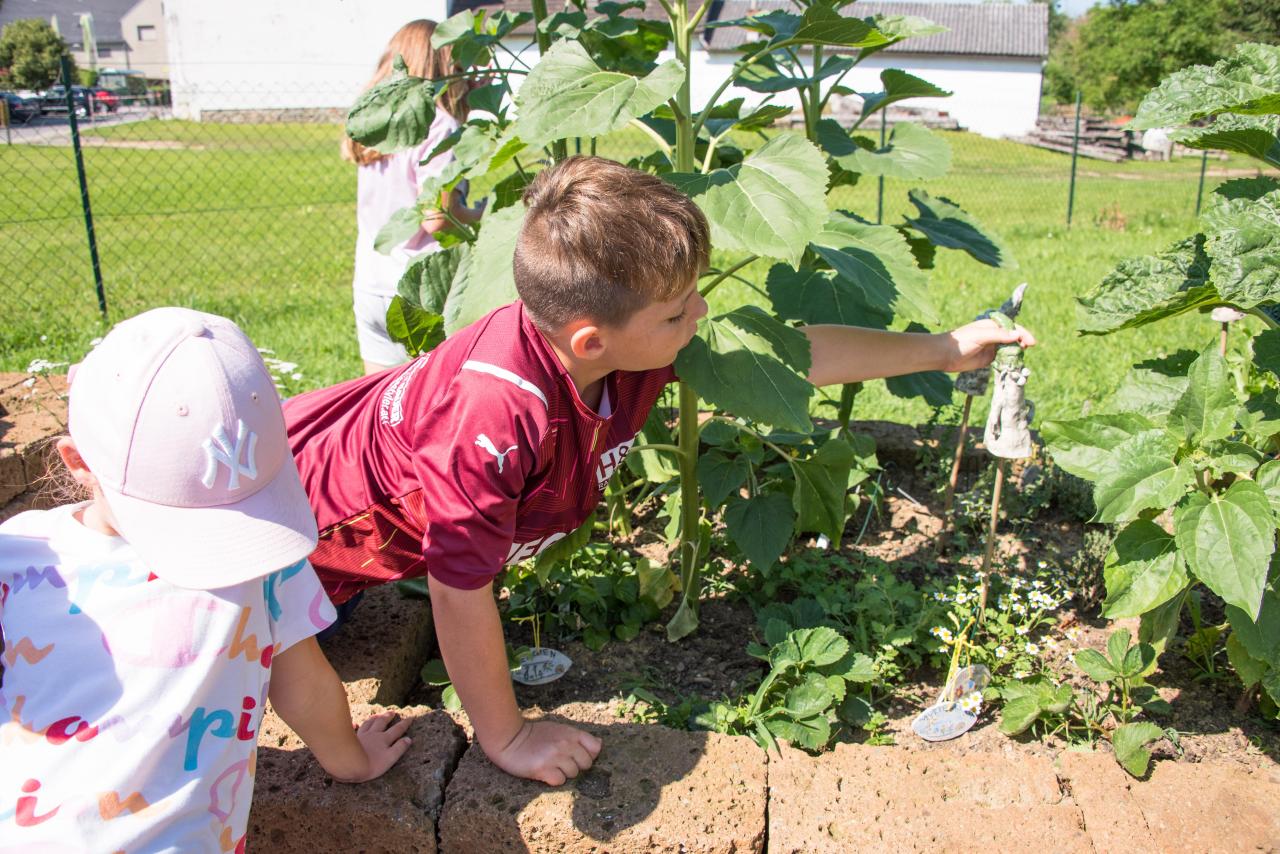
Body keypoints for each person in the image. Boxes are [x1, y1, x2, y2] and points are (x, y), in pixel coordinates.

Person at [283, 156, 1036, 788]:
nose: (700, 315)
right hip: (289, 545)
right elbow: (458, 589)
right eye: (678, 312)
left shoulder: (632, 346)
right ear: (589, 340)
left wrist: (943, 346)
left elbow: (789, 356)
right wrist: (506, 736)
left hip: (340, 543)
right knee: (240, 667)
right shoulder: (491, 423)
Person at [0, 308, 412, 852]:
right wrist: (351, 761)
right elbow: (304, 687)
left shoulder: (17, 553)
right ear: (75, 462)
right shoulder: (261, 559)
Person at [343, 19, 484, 376]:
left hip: (371, 284)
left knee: (379, 406)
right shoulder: (436, 125)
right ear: (442, 65)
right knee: (429, 408)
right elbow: (437, 219)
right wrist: (481, 214)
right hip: (418, 288)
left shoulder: (378, 124)